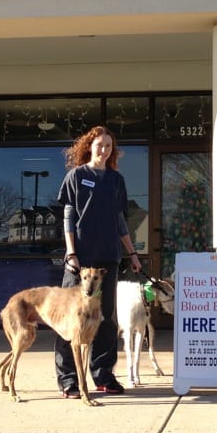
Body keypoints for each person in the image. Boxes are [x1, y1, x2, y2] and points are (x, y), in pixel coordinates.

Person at [56, 125, 141, 397]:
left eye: (108, 146)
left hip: (107, 260)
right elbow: (69, 217)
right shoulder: (77, 176)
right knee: (72, 319)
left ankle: (103, 375)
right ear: (89, 146)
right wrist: (71, 252)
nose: (104, 150)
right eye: (99, 145)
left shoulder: (116, 180)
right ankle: (68, 379)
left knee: (105, 319)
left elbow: (120, 222)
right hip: (80, 261)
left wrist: (133, 254)